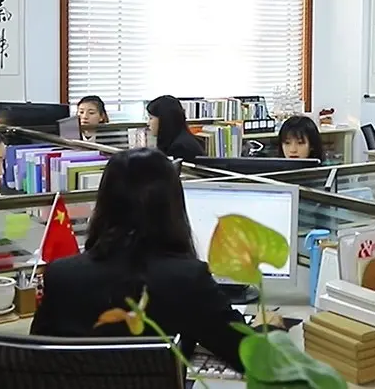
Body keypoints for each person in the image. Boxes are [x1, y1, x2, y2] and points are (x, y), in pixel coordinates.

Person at [30, 148, 283, 372]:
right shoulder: (187, 280)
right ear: (171, 206)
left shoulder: (61, 276)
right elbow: (254, 358)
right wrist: (268, 326)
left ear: (104, 204)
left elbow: (34, 361)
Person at [146, 95, 204, 162]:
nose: (148, 123)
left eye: (151, 118)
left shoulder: (180, 147)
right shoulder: (180, 139)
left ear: (164, 120)